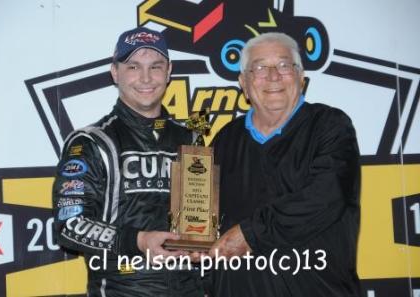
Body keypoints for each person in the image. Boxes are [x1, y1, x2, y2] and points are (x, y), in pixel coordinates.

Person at [52, 27, 203, 297]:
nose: (146, 78)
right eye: (133, 66)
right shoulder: (89, 142)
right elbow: (69, 226)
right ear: (115, 72)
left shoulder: (192, 140)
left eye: (155, 66)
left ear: (169, 71)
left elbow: (200, 226)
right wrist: (138, 240)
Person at [207, 32, 361, 297]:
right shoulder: (224, 140)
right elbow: (209, 218)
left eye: (283, 65)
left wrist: (250, 234)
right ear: (243, 82)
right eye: (259, 67)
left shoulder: (330, 126)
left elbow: (326, 197)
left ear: (301, 77)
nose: (273, 76)